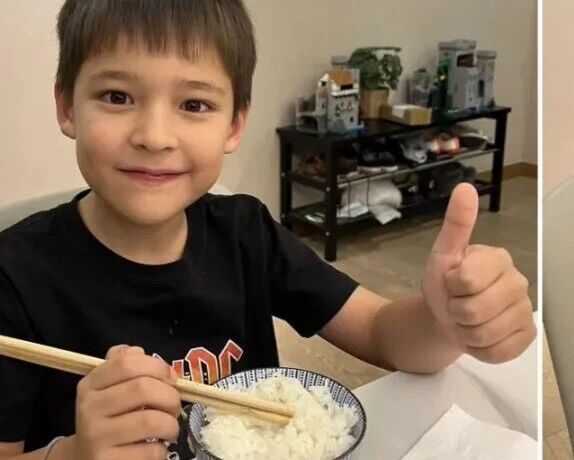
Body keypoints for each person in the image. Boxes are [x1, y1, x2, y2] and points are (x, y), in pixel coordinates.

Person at [0, 1, 535, 459]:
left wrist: (445, 321)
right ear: (67, 106)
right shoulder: (15, 274)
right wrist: (71, 454)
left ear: (234, 124)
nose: (155, 136)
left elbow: (380, 333)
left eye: (194, 104)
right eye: (117, 96)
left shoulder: (245, 232)